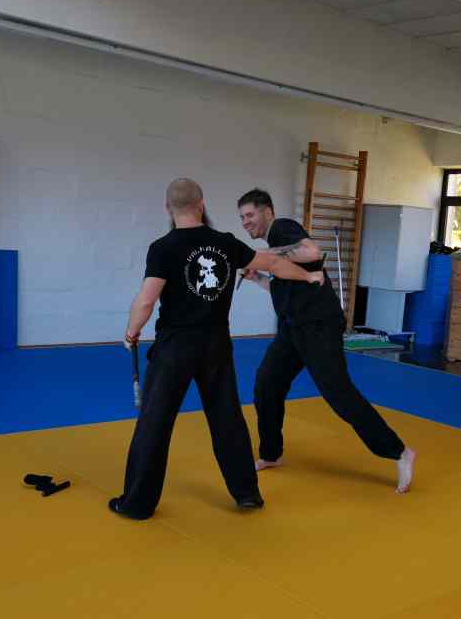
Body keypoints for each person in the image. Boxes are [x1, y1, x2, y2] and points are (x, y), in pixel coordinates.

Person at [109, 179, 323, 520]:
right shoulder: (225, 242)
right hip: (216, 345)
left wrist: (131, 332)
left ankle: (137, 503)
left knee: (154, 422)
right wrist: (308, 277)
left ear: (168, 208)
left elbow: (147, 300)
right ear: (202, 205)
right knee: (227, 419)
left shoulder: (163, 247)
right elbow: (272, 263)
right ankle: (247, 493)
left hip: (175, 348)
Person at [237, 188, 416, 493]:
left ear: (267, 211)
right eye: (242, 217)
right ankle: (271, 453)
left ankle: (399, 452)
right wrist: (260, 278)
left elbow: (312, 252)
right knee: (267, 384)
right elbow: (288, 287)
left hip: (318, 327)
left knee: (339, 394)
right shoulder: (275, 244)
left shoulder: (282, 228)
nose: (245, 222)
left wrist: (263, 258)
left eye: (250, 215)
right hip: (293, 330)